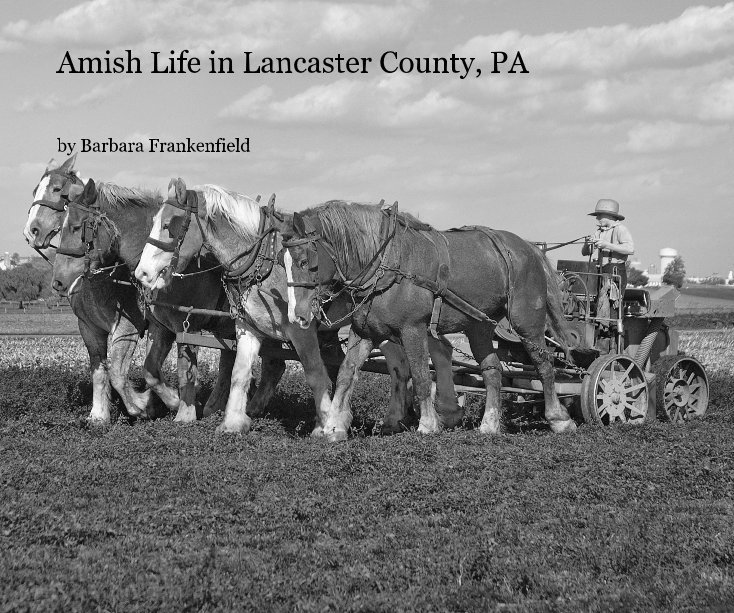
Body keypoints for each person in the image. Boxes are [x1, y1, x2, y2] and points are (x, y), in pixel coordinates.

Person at [582, 199, 634, 293]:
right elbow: (585, 253)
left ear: (609, 216)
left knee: (612, 305)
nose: (597, 218)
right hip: (600, 272)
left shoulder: (620, 229)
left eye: (599, 216)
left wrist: (607, 245)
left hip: (615, 271)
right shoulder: (599, 231)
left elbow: (630, 249)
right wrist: (587, 244)